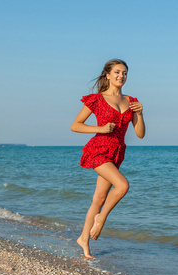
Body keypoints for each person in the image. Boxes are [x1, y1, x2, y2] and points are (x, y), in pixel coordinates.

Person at [71, 59, 145, 258]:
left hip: (117, 152)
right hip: (99, 149)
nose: (121, 76)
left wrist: (141, 113)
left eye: (125, 73)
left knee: (99, 198)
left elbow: (140, 134)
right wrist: (100, 129)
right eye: (117, 72)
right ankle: (101, 219)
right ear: (108, 75)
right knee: (122, 186)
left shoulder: (131, 101)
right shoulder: (97, 99)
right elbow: (76, 125)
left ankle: (83, 240)